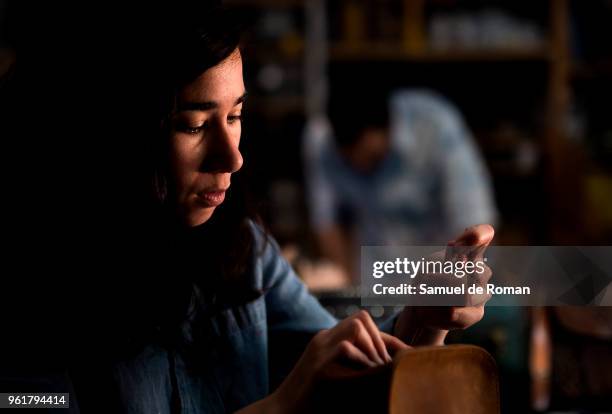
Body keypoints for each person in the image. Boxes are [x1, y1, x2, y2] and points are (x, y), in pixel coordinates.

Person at [1, 5, 494, 413]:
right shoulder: (32, 288)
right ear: (110, 134)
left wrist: (423, 318)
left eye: (235, 116)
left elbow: (352, 373)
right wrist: (281, 406)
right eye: (193, 126)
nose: (232, 156)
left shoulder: (241, 247)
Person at [303, 89, 498, 281]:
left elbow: (473, 221)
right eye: (348, 161)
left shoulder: (435, 124)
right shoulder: (320, 139)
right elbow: (327, 222)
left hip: (439, 271)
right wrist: (344, 287)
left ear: (386, 128)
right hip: (373, 279)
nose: (358, 167)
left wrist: (450, 287)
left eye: (371, 158)